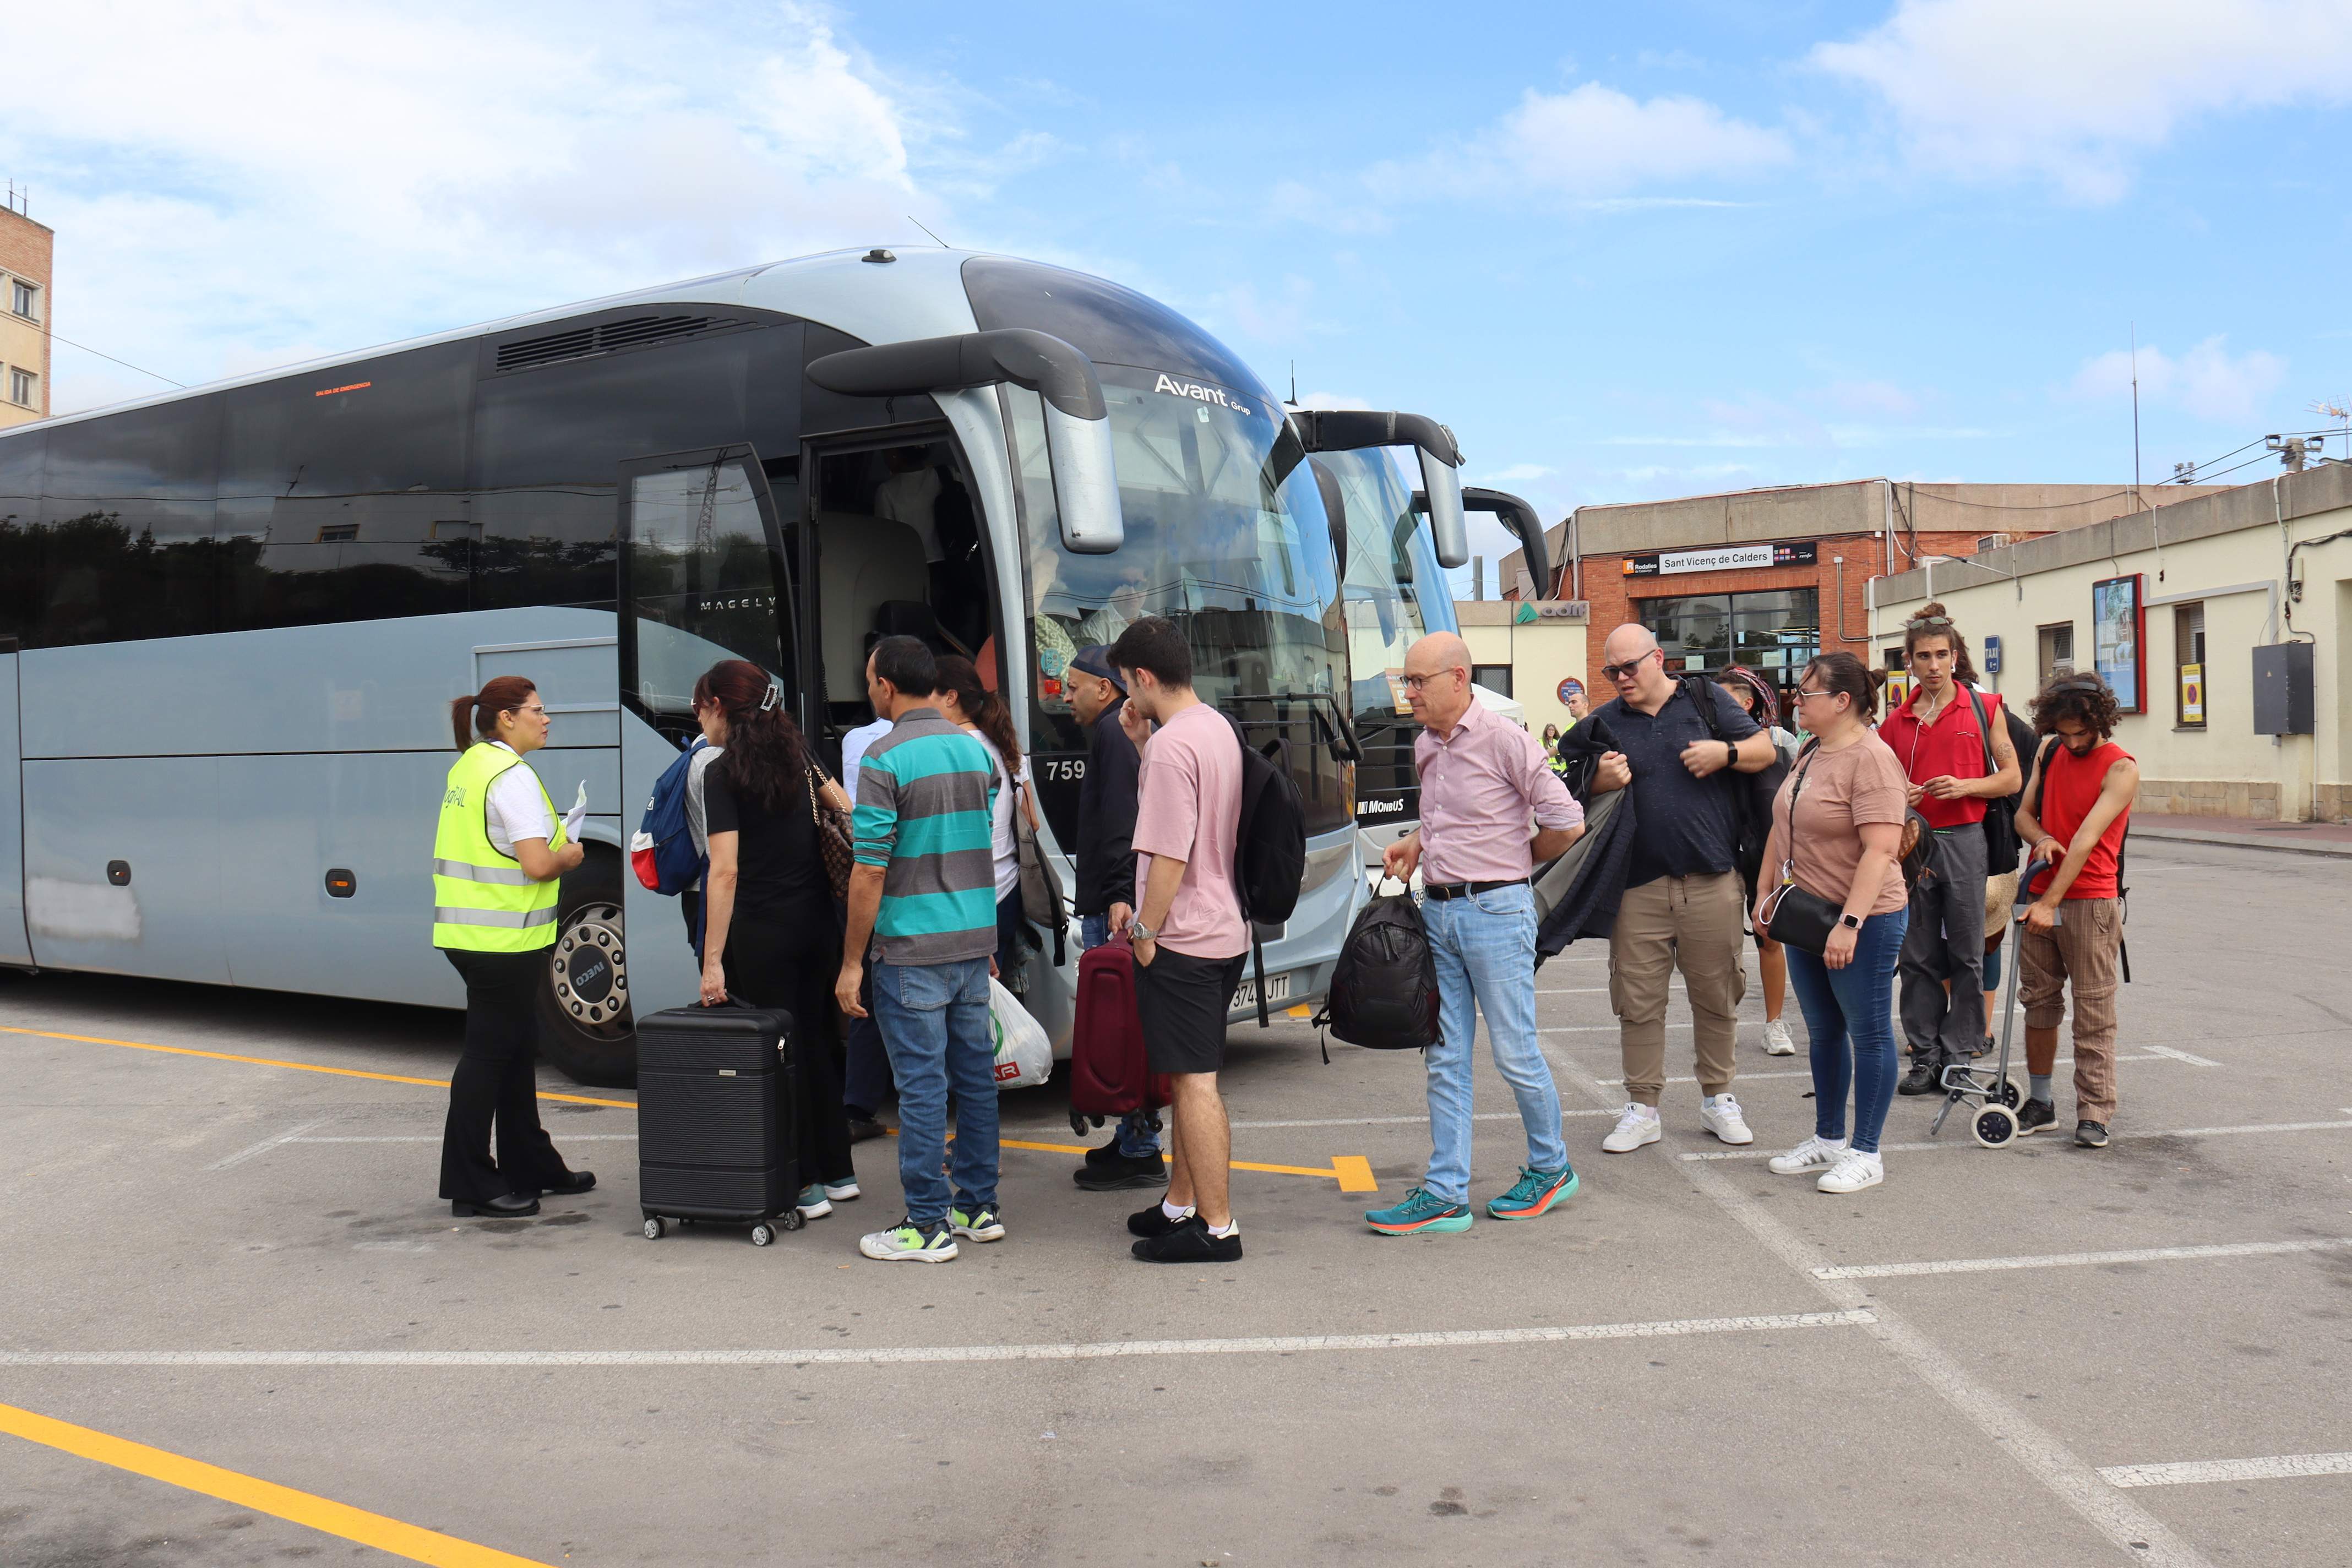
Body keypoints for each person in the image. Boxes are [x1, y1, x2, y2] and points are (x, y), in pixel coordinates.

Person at [1365, 633, 1586, 1235]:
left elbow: (1567, 822)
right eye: (1405, 681)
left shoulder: (1506, 740)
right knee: (1443, 1058)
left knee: (1514, 1052)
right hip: (1437, 912)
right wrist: (1416, 842)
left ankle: (1551, 1166)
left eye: (1417, 681)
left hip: (1495, 913)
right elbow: (1450, 819)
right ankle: (1445, 1192)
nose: (1407, 692)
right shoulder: (1426, 745)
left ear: (1458, 679)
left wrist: (1510, 862)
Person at [835, 635, 1004, 1262]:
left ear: (885, 685)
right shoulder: (974, 751)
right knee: (974, 1080)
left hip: (910, 947)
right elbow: (977, 840)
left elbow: (870, 869)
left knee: (923, 1088)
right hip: (972, 939)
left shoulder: (883, 758)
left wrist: (852, 961)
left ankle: (927, 1223)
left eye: (870, 675)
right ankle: (977, 1206)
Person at [1586, 625, 1778, 1153]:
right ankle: (1642, 1108)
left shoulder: (1705, 699)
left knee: (1717, 996)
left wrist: (1726, 754)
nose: (1622, 679)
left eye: (1631, 668)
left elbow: (1764, 748)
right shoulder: (1602, 722)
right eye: (1612, 671)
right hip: (1636, 888)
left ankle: (1719, 1099)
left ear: (1659, 659)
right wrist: (1596, 782)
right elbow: (1561, 784)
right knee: (1637, 1002)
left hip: (1712, 879)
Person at [691, 660, 858, 1222]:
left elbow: (724, 871)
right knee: (815, 1041)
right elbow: (848, 811)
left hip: (761, 932)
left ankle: (803, 1182)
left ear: (718, 705)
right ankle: (839, 1171)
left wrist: (713, 960)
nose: (699, 719)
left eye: (700, 706)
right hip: (817, 923)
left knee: (776, 1055)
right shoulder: (800, 753)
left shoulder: (721, 773)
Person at [1110, 616, 1248, 1264]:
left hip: (1184, 937)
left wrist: (1144, 931)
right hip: (1223, 927)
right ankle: (1179, 1207)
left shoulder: (1172, 747)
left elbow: (1168, 853)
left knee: (1194, 1084)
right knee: (1196, 1075)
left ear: (1142, 677)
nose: (1124, 701)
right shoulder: (1211, 727)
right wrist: (1144, 743)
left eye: (1124, 686)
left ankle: (1216, 1228)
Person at [432, 677, 594, 1218]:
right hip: (501, 940)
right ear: (506, 718)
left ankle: (531, 1163)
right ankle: (470, 1180)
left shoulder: (469, 766)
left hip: (470, 934)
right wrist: (570, 856)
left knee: (517, 1047)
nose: (546, 720)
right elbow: (537, 864)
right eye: (537, 711)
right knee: (489, 1054)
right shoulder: (512, 776)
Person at [1755, 654, 1913, 1194]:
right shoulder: (1812, 749)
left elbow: (1882, 849)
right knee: (1823, 1031)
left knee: (1868, 1033)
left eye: (1806, 692)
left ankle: (1866, 1151)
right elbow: (1785, 823)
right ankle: (1828, 1137)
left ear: (1842, 701)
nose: (1796, 699)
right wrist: (1765, 890)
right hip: (1806, 912)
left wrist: (1849, 923)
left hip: (1862, 917)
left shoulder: (1872, 759)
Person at [1876, 604, 2021, 1096]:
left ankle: (1960, 1054)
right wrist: (1904, 795)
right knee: (1916, 955)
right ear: (1909, 663)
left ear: (1956, 657)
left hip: (1964, 839)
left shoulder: (1985, 708)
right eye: (1924, 656)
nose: (1934, 664)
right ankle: (1924, 1054)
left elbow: (2012, 778)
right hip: (1912, 846)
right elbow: (1877, 787)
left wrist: (1966, 787)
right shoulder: (1895, 724)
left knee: (1967, 951)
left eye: (1942, 654)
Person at [2011, 673, 2139, 1147]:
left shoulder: (2121, 768)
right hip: (2040, 894)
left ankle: (2094, 1112)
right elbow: (2023, 814)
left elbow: (2086, 839)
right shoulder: (2048, 752)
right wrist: (2041, 837)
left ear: (2100, 721)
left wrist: (2049, 902)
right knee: (2039, 1004)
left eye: (2080, 733)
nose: (2072, 742)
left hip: (2089, 901)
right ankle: (2041, 1104)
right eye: (2063, 733)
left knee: (2093, 1010)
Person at [1065, 643, 1165, 1190]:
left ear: (1105, 688)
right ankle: (1132, 1138)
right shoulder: (1112, 731)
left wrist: (1121, 895)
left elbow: (1128, 821)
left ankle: (1142, 1148)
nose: (1065, 695)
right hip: (1111, 897)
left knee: (1125, 1029)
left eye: (1074, 685)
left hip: (1115, 903)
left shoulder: (1113, 731)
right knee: (1125, 1027)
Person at [933, 655, 1038, 990]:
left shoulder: (947, 750)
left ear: (950, 697)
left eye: (928, 695)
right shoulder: (1007, 748)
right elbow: (1032, 823)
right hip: (1007, 893)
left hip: (965, 901)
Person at [1714, 665, 1801, 1058]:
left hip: (1767, 858)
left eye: (1725, 698)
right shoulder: (1709, 748)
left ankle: (1774, 1024)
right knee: (1719, 946)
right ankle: (1719, 1024)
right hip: (1719, 858)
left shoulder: (1779, 752)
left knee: (1770, 939)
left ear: (1747, 704)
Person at [836, 701, 897, 1144]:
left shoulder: (858, 741)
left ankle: (857, 1105)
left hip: (875, 881)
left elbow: (856, 827)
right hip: (931, 895)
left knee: (869, 1001)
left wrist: (851, 960)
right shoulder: (960, 743)